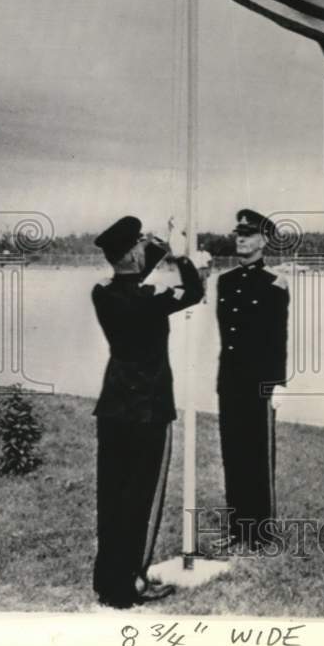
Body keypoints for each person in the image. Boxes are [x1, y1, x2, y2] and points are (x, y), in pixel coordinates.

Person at [91, 215, 204, 608]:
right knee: (141, 499)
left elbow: (137, 266)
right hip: (149, 410)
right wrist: (181, 255)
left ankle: (108, 581)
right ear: (133, 255)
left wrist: (158, 243)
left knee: (112, 497)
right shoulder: (149, 301)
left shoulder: (104, 293)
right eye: (139, 244)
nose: (144, 248)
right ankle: (129, 584)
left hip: (115, 407)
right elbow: (194, 292)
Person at [214, 208, 290, 552]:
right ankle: (237, 526)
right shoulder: (225, 281)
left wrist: (277, 383)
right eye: (239, 234)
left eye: (248, 235)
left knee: (258, 453)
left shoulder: (275, 283)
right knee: (232, 453)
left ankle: (259, 530)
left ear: (263, 241)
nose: (241, 240)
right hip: (230, 379)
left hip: (259, 381)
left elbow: (278, 337)